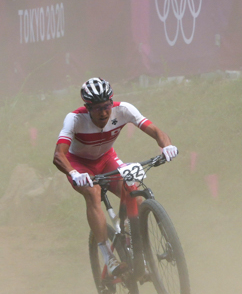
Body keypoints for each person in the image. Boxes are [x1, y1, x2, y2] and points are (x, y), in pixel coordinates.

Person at [54, 77, 177, 279]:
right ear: (87, 107)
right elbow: (59, 155)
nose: (103, 112)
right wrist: (75, 174)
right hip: (79, 164)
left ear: (112, 102)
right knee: (93, 193)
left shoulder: (124, 110)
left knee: (135, 193)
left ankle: (131, 238)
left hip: (106, 159)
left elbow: (155, 130)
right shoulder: (74, 119)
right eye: (97, 108)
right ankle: (108, 257)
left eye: (106, 106)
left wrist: (167, 146)